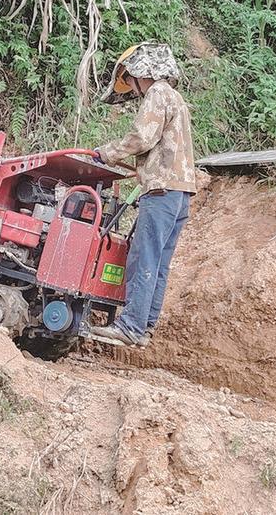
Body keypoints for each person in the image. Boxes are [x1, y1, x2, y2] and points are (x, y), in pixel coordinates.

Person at [92, 42, 196, 347]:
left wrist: (107, 153)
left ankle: (130, 326)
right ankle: (144, 326)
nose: (133, 90)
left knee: (143, 256)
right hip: (181, 193)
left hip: (162, 190)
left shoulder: (157, 93)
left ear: (140, 73)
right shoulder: (175, 98)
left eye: (131, 82)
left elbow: (142, 137)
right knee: (159, 262)